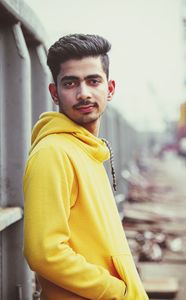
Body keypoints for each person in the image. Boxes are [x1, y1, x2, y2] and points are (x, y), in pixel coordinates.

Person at [23, 33, 148, 300]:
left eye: (93, 81)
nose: (83, 93)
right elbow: (44, 252)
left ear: (110, 88)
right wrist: (116, 291)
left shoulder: (88, 149)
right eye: (70, 83)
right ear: (55, 93)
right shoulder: (53, 153)